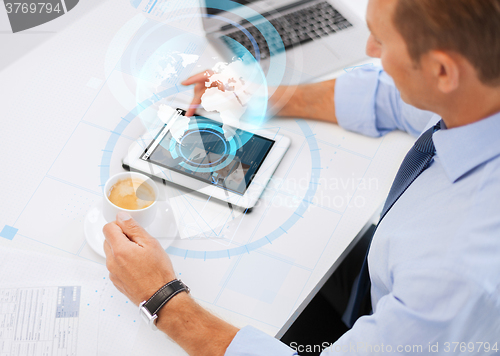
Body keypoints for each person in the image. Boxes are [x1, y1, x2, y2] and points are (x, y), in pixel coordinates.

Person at [103, 0, 500, 354]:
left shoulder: (457, 272)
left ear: (443, 70)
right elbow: (391, 97)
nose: (369, 51)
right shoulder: (479, 92)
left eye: (381, 40)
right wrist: (256, 95)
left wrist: (163, 300)